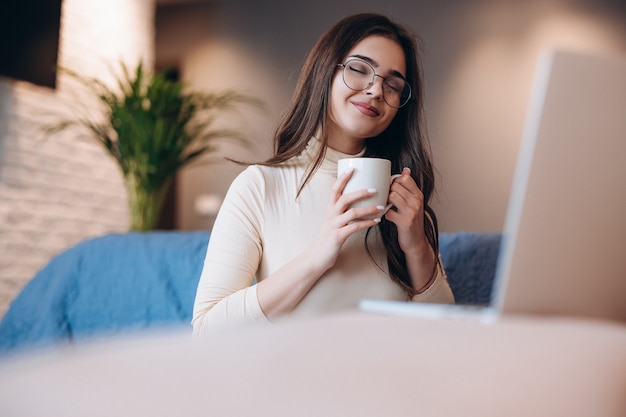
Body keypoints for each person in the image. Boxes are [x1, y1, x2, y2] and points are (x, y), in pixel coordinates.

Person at [192, 13, 454, 334]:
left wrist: (416, 244)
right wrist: (318, 255)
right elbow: (206, 330)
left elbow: (446, 336)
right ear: (325, 71)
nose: (375, 90)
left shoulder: (404, 204)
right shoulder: (261, 186)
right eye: (360, 69)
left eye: (393, 84)